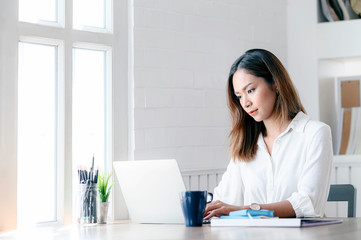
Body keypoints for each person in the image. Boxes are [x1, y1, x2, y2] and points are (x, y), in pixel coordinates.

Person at [204, 49, 333, 219]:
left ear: (276, 84)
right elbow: (224, 199)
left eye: (250, 90)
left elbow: (308, 203)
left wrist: (246, 210)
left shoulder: (315, 133)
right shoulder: (246, 143)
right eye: (239, 96)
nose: (245, 103)